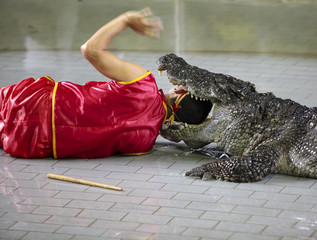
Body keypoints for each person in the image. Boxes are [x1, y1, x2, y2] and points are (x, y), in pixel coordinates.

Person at [0, 8, 212, 159]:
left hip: (33, 103)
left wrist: (125, 19)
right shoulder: (143, 144)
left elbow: (89, 50)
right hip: (32, 144)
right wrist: (165, 127)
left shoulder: (143, 84)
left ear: (180, 88)